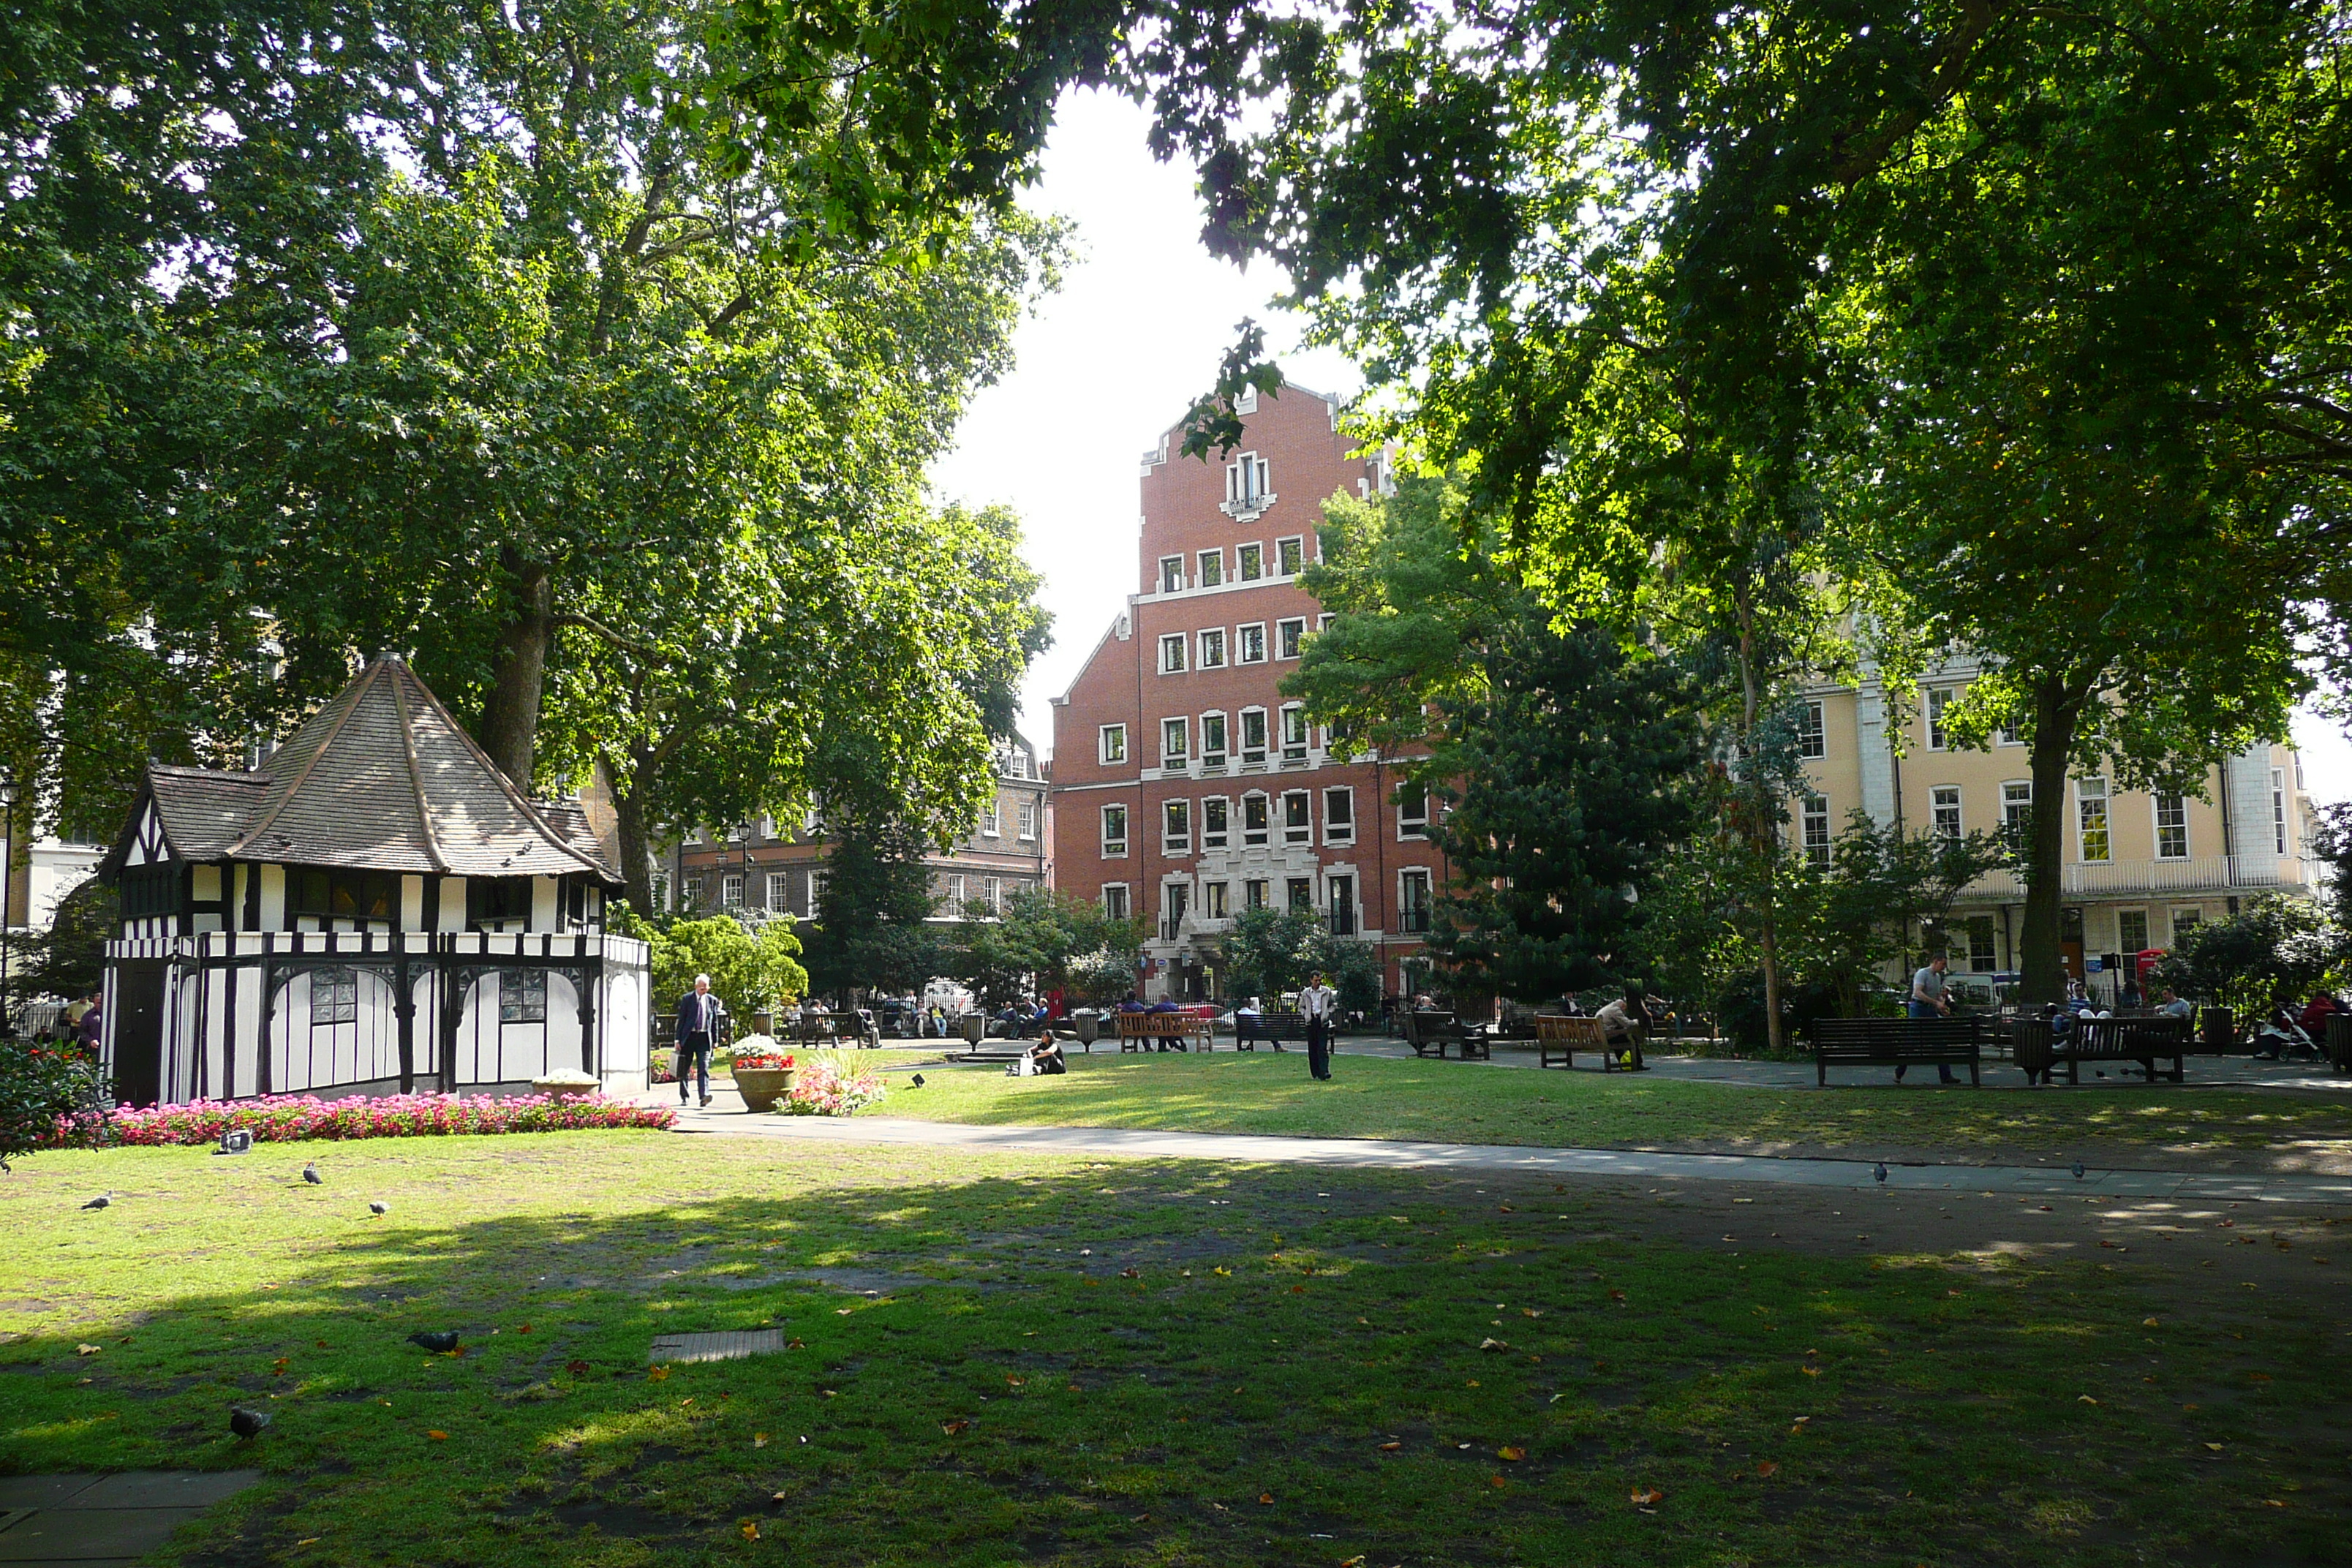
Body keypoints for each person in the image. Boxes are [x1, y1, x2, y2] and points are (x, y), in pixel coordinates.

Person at [1897, 954, 1957, 1085]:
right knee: (1913, 1041)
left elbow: (1937, 995)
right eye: (1943, 964)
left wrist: (1942, 1005)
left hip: (1930, 1009)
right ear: (1936, 962)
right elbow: (1918, 992)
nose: (1944, 968)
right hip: (1918, 1008)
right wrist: (1936, 1003)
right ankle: (1899, 1072)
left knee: (1939, 1041)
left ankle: (1946, 1075)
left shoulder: (1937, 977)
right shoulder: (1922, 973)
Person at [674, 974, 720, 1108]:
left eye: (706, 988)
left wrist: (715, 1040)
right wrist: (677, 1039)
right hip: (689, 1038)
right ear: (696, 987)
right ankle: (685, 1096)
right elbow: (681, 1020)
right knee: (684, 1069)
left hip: (704, 1038)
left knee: (703, 1067)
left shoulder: (712, 1000)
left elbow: (714, 1021)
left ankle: (704, 1096)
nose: (704, 990)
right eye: (701, 988)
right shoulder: (687, 999)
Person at [1299, 970, 1339, 1080]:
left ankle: (1324, 1072)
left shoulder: (1326, 991)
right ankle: (1315, 1072)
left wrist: (1327, 1013)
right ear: (1311, 980)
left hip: (1322, 1020)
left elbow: (1333, 1004)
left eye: (1320, 980)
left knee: (1322, 1047)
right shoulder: (1306, 993)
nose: (1318, 982)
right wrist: (1306, 1015)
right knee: (1312, 1048)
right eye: (1316, 980)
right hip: (1311, 1020)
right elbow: (1301, 1007)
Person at [1594, 990, 1647, 1071]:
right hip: (1606, 1038)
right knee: (1632, 1039)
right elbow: (1626, 1023)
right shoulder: (1615, 1010)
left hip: (1600, 1037)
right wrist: (1635, 1022)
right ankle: (1638, 1064)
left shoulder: (1608, 1008)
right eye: (1625, 1009)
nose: (1624, 1011)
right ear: (1623, 1005)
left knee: (1619, 1038)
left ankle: (1622, 1063)